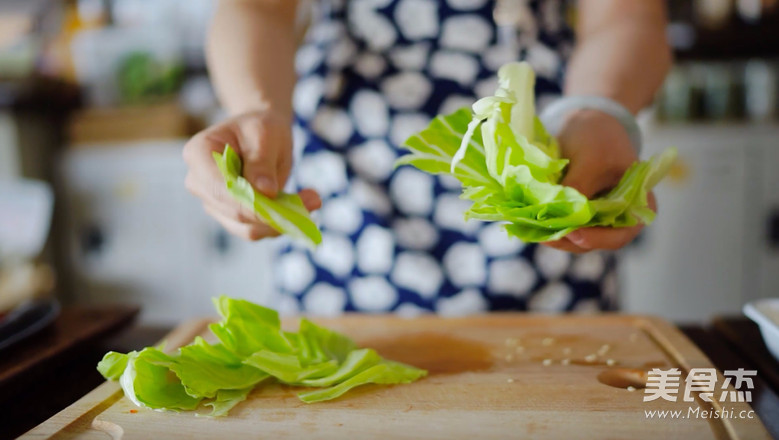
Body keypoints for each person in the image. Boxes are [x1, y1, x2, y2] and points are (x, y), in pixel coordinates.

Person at [183, 0, 671, 316]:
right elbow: (257, 8)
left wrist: (596, 111)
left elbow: (626, 17)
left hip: (554, 145)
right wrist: (257, 109)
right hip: (348, 175)